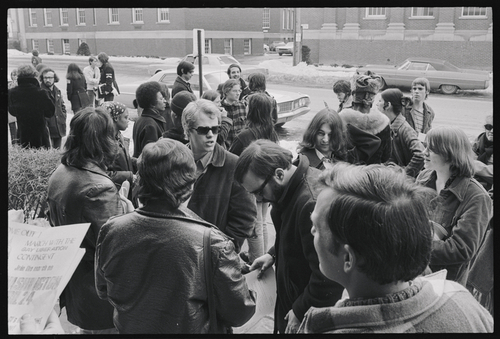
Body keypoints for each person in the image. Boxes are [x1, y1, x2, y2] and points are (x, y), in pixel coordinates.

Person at [297, 162, 493, 333]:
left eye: (316, 227)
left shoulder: (323, 328)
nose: (313, 232)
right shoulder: (461, 299)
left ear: (348, 259)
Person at [95, 138, 256, 333]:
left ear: (140, 180)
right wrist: (252, 290)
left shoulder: (111, 229)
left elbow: (103, 290)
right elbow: (239, 313)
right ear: (189, 185)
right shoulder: (213, 243)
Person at [234, 140, 343, 333]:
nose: (259, 200)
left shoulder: (310, 204)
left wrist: (301, 309)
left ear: (279, 174)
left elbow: (329, 276)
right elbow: (298, 238)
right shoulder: (289, 190)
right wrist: (273, 254)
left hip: (306, 311)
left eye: (259, 192)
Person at [46, 106, 131, 334]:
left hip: (77, 285)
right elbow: (116, 248)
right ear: (104, 140)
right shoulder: (99, 187)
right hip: (100, 293)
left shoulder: (61, 172)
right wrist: (129, 215)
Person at [416, 126, 493, 287]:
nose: (424, 152)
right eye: (425, 146)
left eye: (431, 149)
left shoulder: (476, 196)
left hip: (445, 284)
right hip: (412, 275)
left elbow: (461, 249)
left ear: (450, 154)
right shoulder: (423, 176)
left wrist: (412, 245)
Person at [182, 99, 257, 253]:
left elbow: (245, 219)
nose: (211, 135)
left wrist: (222, 252)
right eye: (203, 130)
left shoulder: (234, 166)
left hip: (212, 259)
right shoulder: (173, 160)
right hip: (178, 252)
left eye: (215, 129)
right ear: (187, 130)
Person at [229, 93, 279, 264]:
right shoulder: (272, 132)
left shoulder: (245, 136)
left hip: (250, 186)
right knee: (262, 222)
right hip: (268, 185)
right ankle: (261, 255)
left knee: (254, 226)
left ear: (253, 110)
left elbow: (231, 157)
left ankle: (257, 260)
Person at [338, 71, 391, 165]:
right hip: (373, 174)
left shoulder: (341, 118)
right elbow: (385, 156)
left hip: (347, 173)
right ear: (372, 97)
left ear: (353, 94)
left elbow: (335, 150)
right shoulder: (384, 121)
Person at [377, 88, 425, 178]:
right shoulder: (390, 125)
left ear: (388, 105)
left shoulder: (405, 129)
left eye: (380, 101)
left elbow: (421, 154)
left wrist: (405, 174)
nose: (377, 104)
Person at [8, 64, 54, 149]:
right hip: (40, 135)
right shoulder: (41, 93)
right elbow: (50, 113)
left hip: (23, 134)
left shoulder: (12, 93)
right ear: (34, 75)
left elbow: (12, 112)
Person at [101, 101, 136, 201]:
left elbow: (122, 159)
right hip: (114, 194)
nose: (128, 120)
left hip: (125, 189)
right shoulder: (105, 142)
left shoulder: (119, 135)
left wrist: (136, 162)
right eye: (125, 117)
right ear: (116, 118)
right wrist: (128, 176)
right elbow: (103, 173)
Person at [132, 81, 167, 157]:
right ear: (152, 104)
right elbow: (151, 156)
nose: (165, 101)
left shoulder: (141, 119)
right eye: (161, 99)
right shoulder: (150, 125)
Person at [40, 67, 67, 149]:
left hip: (59, 126)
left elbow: (62, 105)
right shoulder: (40, 91)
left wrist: (63, 115)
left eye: (50, 77)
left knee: (58, 151)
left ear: (54, 78)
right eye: (45, 77)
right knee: (48, 151)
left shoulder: (57, 90)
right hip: (47, 126)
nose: (48, 80)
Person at [220, 79, 247, 148]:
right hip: (225, 147)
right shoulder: (220, 108)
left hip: (240, 146)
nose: (238, 93)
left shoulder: (242, 106)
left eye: (239, 90)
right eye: (234, 91)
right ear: (226, 92)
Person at [472, 115, 493, 191]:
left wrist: (473, 165)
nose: (492, 131)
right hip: (475, 184)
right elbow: (467, 157)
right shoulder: (479, 140)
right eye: (489, 127)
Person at [8, 69, 19, 145]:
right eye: (13, 75)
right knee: (12, 127)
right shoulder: (8, 85)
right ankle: (14, 143)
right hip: (11, 109)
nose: (14, 76)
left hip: (19, 109)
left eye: (16, 75)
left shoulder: (21, 85)